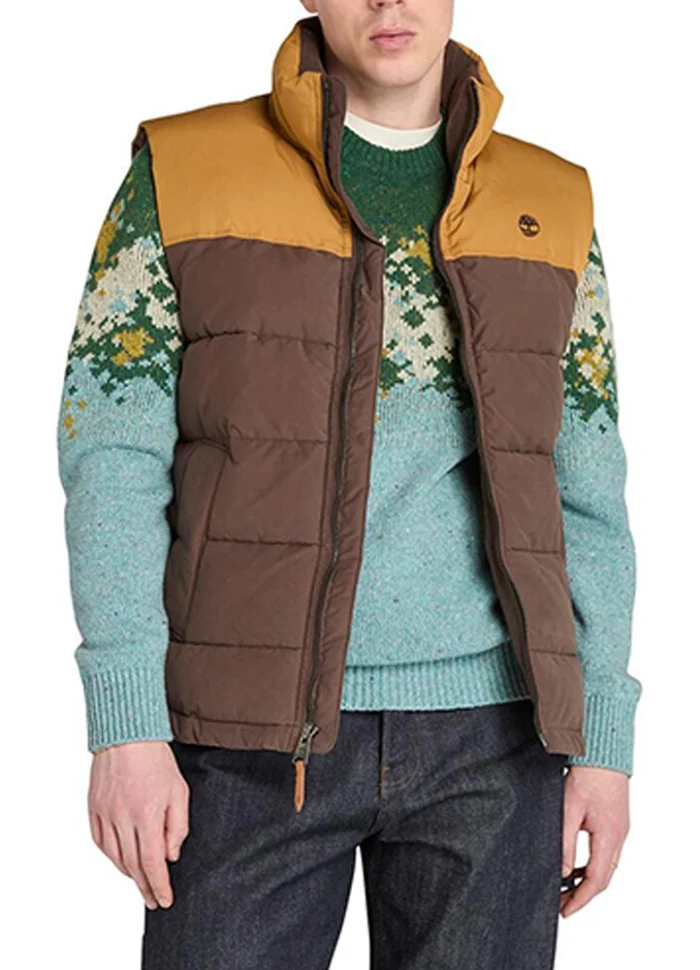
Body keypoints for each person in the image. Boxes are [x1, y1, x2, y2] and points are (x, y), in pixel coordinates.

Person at [56, 2, 642, 967]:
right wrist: (125, 725)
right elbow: (111, 458)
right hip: (242, 743)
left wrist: (604, 739)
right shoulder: (184, 173)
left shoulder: (552, 201)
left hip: (497, 742)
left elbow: (589, 486)